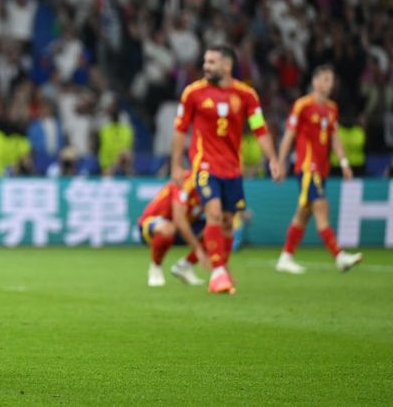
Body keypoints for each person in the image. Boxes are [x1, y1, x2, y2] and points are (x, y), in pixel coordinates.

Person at [171, 45, 283, 294]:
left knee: (227, 223)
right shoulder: (193, 93)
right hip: (204, 165)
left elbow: (259, 129)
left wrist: (273, 159)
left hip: (232, 169)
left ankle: (211, 267)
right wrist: (176, 165)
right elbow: (180, 130)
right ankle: (219, 272)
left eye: (211, 62)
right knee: (212, 212)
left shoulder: (246, 96)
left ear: (227, 66)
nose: (206, 66)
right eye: (205, 61)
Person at [275, 65, 363, 274]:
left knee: (303, 213)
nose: (328, 84)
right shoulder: (302, 105)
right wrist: (280, 162)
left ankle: (286, 257)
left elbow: (334, 137)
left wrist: (344, 163)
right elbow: (288, 135)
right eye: (324, 79)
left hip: (322, 169)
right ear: (314, 82)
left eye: (331, 80)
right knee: (321, 208)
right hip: (307, 167)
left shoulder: (332, 108)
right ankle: (339, 256)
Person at [138, 172, 210, 287]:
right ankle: (155, 267)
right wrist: (197, 249)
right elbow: (179, 219)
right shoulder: (185, 179)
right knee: (167, 229)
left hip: (185, 225)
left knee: (217, 230)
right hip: (154, 221)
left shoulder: (214, 181)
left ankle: (184, 267)